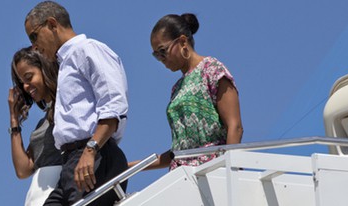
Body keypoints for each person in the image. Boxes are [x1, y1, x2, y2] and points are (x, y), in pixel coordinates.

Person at [24, 1, 129, 205]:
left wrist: (91, 150)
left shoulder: (87, 49)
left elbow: (113, 105)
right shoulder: (65, 63)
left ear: (52, 24)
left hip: (94, 155)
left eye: (34, 36)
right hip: (71, 162)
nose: (34, 46)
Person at [129, 13, 243, 170]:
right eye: (156, 55)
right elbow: (179, 153)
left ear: (182, 41)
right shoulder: (177, 88)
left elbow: (234, 126)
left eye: (163, 51)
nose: (161, 59)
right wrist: (130, 167)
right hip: (182, 174)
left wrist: (231, 170)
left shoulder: (212, 69)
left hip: (213, 170)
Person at [8, 46, 62, 206]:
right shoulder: (42, 124)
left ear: (44, 69)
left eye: (29, 77)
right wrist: (14, 120)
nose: (25, 86)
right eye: (21, 82)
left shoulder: (66, 108)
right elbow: (23, 170)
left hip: (60, 194)